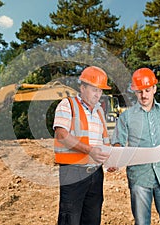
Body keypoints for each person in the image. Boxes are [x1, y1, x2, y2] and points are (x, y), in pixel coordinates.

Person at [111, 68, 160, 225]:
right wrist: (115, 158)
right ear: (134, 92)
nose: (144, 95)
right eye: (140, 91)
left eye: (147, 90)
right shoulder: (126, 116)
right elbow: (118, 142)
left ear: (154, 88)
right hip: (139, 178)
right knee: (141, 222)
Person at [53, 66, 111, 225]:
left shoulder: (99, 111)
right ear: (83, 87)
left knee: (92, 219)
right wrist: (89, 151)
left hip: (96, 174)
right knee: (69, 219)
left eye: (100, 90)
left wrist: (112, 160)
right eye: (94, 89)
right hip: (73, 173)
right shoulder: (68, 105)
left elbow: (105, 141)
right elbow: (62, 134)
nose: (98, 94)